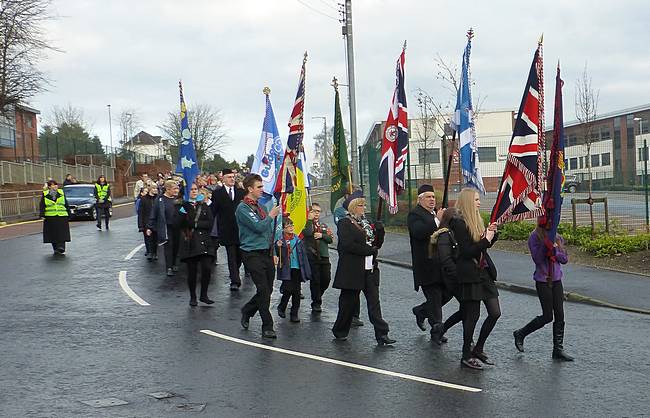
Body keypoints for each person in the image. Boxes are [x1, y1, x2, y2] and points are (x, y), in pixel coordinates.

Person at [331, 191, 395, 346]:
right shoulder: (344, 223)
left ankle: (382, 334)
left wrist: (380, 231)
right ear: (353, 207)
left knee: (374, 303)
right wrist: (369, 251)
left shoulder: (366, 223)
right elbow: (347, 245)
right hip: (352, 270)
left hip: (370, 269)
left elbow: (376, 245)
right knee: (348, 304)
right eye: (360, 205)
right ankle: (340, 330)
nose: (363, 208)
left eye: (364, 205)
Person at [451, 188, 500, 370]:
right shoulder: (459, 223)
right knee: (472, 316)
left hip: (484, 272)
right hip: (470, 274)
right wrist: (486, 240)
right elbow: (466, 252)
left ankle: (478, 348)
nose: (479, 202)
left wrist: (492, 236)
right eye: (476, 200)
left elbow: (482, 248)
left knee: (495, 312)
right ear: (468, 202)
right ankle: (465, 354)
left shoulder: (477, 220)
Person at [513, 221, 573, 361]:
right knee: (547, 316)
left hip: (557, 280)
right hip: (543, 281)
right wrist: (545, 246)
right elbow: (538, 259)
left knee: (560, 314)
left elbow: (564, 259)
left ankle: (558, 349)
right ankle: (520, 333)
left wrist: (555, 250)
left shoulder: (557, 236)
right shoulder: (534, 237)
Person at [236, 174, 281, 339]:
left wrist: (274, 251)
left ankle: (248, 309)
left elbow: (268, 232)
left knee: (267, 289)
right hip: (252, 253)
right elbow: (259, 227)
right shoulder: (242, 208)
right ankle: (267, 326)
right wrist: (271, 216)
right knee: (262, 289)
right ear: (250, 189)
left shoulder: (260, 206)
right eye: (259, 187)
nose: (262, 190)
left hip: (266, 252)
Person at [407, 184, 448, 343]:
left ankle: (421, 311)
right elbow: (419, 232)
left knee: (448, 293)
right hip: (426, 266)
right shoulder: (414, 215)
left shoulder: (437, 213)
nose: (432, 200)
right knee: (435, 299)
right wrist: (437, 220)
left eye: (433, 197)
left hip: (441, 264)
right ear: (420, 199)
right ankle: (437, 331)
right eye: (428, 197)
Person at [179, 184, 217, 306]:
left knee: (206, 268)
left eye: (195, 189)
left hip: (205, 241)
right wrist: (184, 212)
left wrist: (195, 224)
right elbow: (178, 223)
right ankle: (193, 296)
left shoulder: (204, 205)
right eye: (191, 189)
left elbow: (210, 223)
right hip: (190, 241)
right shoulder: (182, 206)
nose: (194, 191)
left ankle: (204, 295)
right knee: (192, 271)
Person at [211, 168, 245, 291]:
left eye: (233, 177)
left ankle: (237, 270)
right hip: (226, 229)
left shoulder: (241, 192)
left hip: (240, 230)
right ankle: (235, 280)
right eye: (229, 177)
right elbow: (213, 211)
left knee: (239, 255)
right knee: (231, 256)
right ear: (223, 179)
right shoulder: (217, 193)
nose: (232, 179)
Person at [276, 217, 311, 322]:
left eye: (292, 225)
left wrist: (306, 269)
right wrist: (278, 247)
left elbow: (303, 256)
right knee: (287, 290)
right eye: (288, 226)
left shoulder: (297, 239)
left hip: (297, 268)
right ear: (283, 229)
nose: (291, 228)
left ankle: (294, 313)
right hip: (287, 268)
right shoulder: (281, 240)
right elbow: (278, 254)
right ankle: (282, 306)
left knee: (296, 292)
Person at [301, 203, 333, 313]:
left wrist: (322, 235)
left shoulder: (323, 225)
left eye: (318, 211)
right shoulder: (307, 224)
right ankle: (316, 302)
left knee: (326, 279)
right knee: (316, 281)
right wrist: (309, 220)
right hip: (312, 256)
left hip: (324, 256)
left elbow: (330, 238)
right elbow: (307, 233)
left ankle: (318, 295)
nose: (316, 213)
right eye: (314, 211)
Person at [147, 180, 182, 276]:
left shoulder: (178, 199)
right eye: (174, 189)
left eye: (177, 188)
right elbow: (154, 213)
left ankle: (175, 263)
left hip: (178, 227)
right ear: (167, 189)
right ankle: (169, 267)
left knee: (176, 246)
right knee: (168, 247)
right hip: (166, 227)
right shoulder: (160, 200)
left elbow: (183, 211)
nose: (176, 190)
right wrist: (149, 227)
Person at [39, 179, 71, 255]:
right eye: (53, 185)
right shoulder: (45, 194)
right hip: (51, 216)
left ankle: (62, 247)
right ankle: (55, 248)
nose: (55, 186)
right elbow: (42, 205)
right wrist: (42, 215)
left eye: (56, 184)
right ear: (49, 187)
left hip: (62, 215)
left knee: (62, 233)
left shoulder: (61, 192)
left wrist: (69, 213)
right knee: (52, 233)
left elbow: (66, 203)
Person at [138, 187, 158, 261]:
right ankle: (149, 252)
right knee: (147, 238)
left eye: (156, 188)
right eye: (154, 188)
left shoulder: (158, 199)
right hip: (146, 221)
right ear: (150, 190)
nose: (156, 190)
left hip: (156, 221)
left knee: (155, 238)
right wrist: (140, 225)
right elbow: (140, 212)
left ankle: (155, 253)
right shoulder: (143, 199)